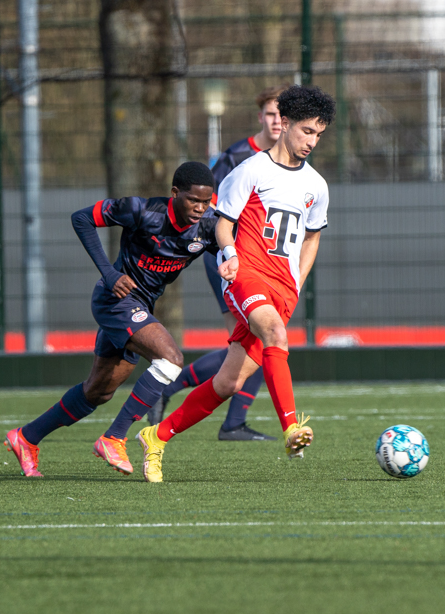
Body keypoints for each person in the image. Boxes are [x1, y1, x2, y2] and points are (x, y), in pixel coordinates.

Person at [134, 84, 336, 483]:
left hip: (282, 288)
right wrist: (230, 255)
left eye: (318, 134)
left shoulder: (317, 185)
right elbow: (222, 225)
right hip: (247, 275)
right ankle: (292, 428)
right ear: (285, 123)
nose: (312, 141)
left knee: (228, 382)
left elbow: (312, 238)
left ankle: (156, 436)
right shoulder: (251, 171)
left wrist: (296, 283)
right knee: (275, 334)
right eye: (307, 131)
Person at [4, 162, 219, 477]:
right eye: (193, 200)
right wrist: (109, 273)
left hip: (141, 307)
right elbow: (81, 218)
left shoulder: (209, 226)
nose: (200, 208)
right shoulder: (141, 210)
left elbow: (237, 247)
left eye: (206, 201)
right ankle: (114, 438)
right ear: (175, 193)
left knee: (98, 391)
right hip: (115, 300)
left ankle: (26, 437)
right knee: (171, 359)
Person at [149, 84, 290, 442]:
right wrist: (228, 252)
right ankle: (227, 420)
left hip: (267, 267)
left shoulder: (293, 161)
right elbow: (208, 211)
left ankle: (220, 416)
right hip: (231, 261)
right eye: (271, 114)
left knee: (254, 343)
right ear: (260, 117)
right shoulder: (237, 156)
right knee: (259, 339)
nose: (277, 121)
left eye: (282, 115)